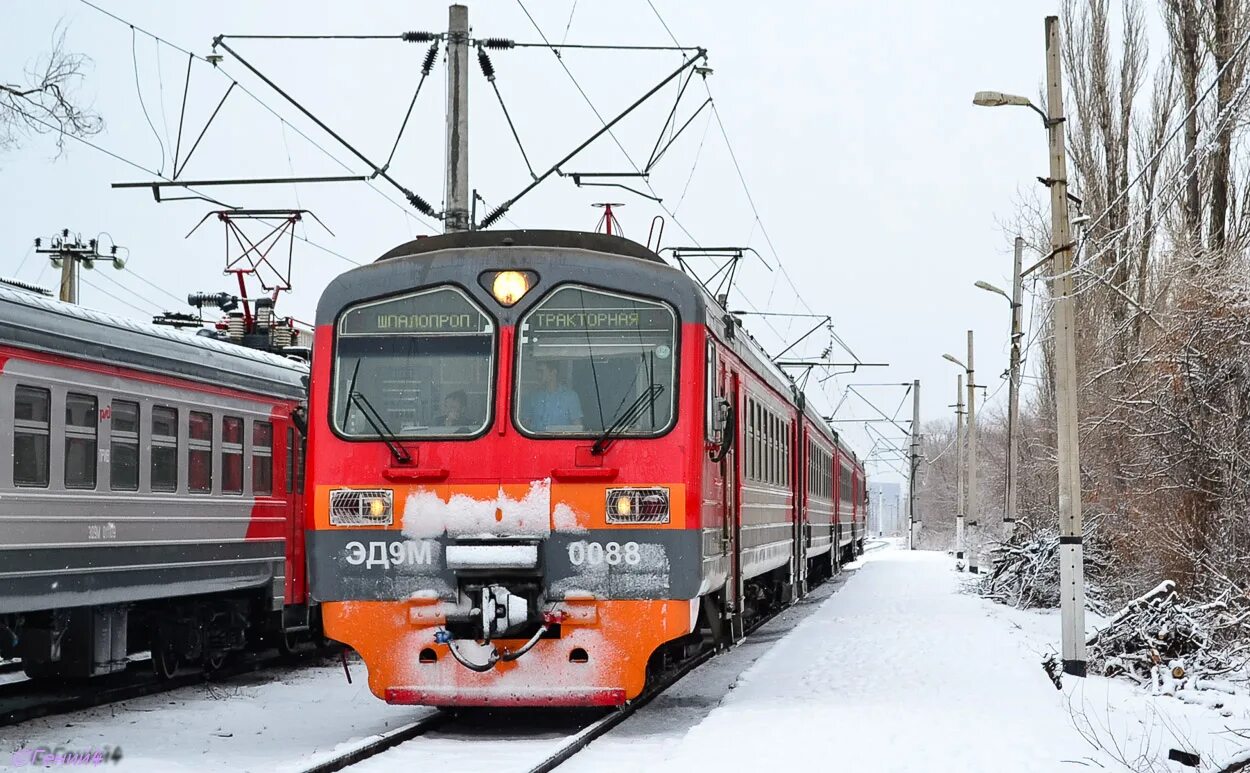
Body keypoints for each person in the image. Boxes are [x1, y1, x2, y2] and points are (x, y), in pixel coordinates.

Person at [522, 360, 583, 431]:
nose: (538, 375)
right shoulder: (532, 396)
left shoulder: (570, 397)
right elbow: (524, 424)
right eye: (537, 372)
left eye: (541, 372)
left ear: (553, 373)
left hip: (560, 440)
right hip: (536, 440)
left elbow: (577, 427)